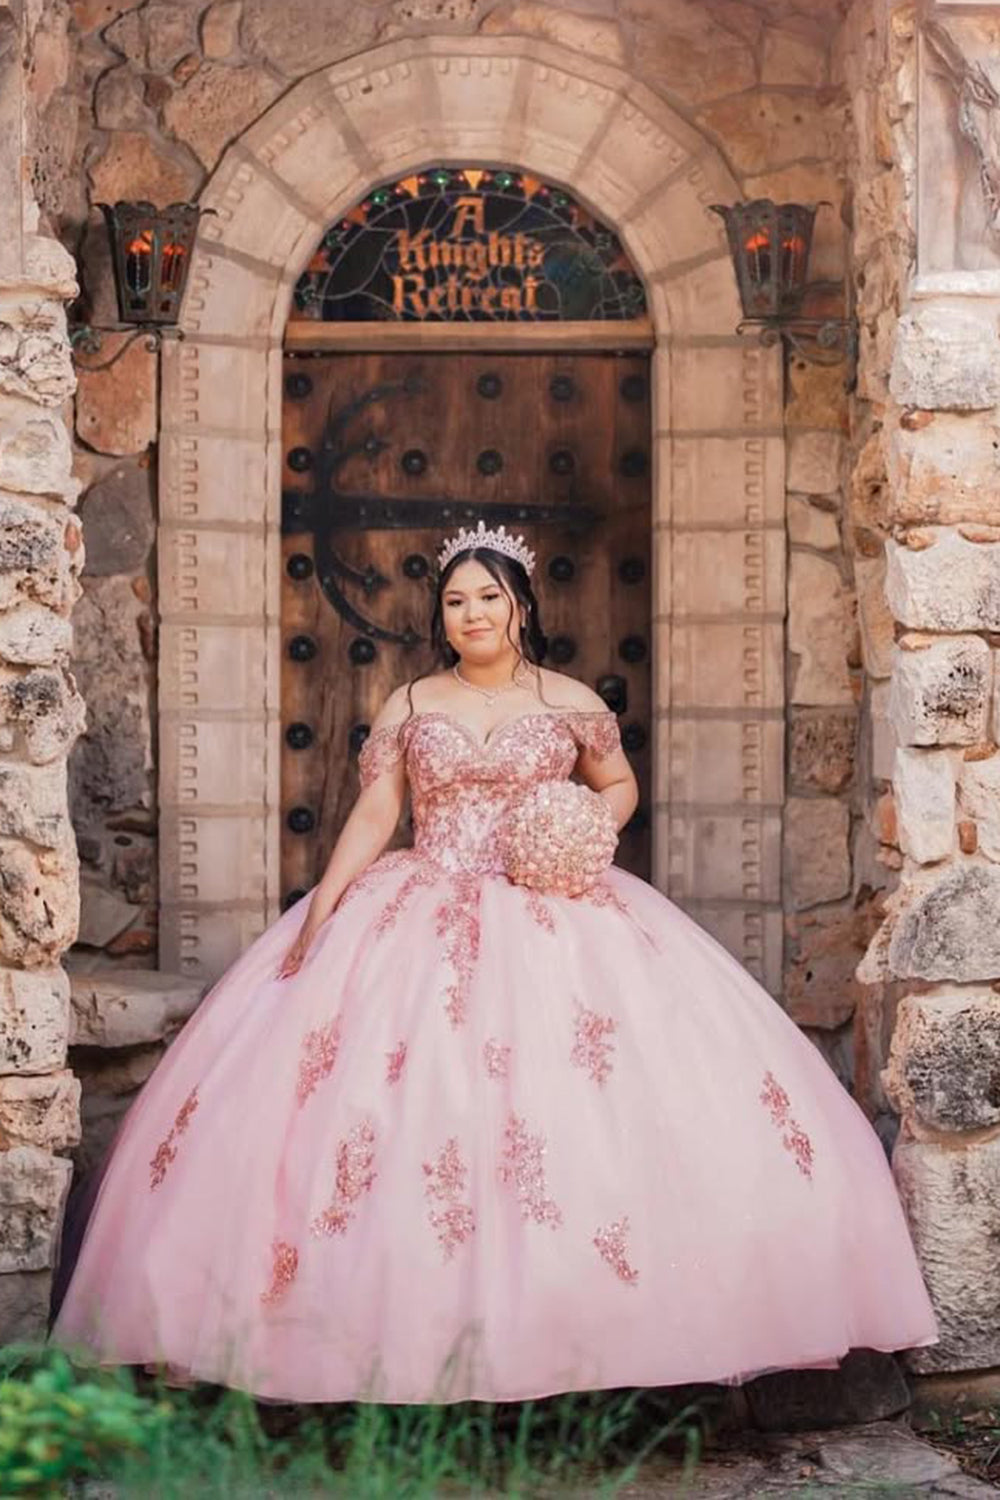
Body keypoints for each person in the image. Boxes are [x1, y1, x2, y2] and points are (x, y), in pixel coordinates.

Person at [49, 521, 939, 1403]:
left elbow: (616, 781)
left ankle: (589, 1340)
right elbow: (377, 811)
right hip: (420, 896)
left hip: (552, 909)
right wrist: (325, 902)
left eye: (487, 597)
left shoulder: (569, 701)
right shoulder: (411, 704)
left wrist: (587, 825)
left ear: (519, 606)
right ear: (443, 616)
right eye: (455, 601)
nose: (471, 613)